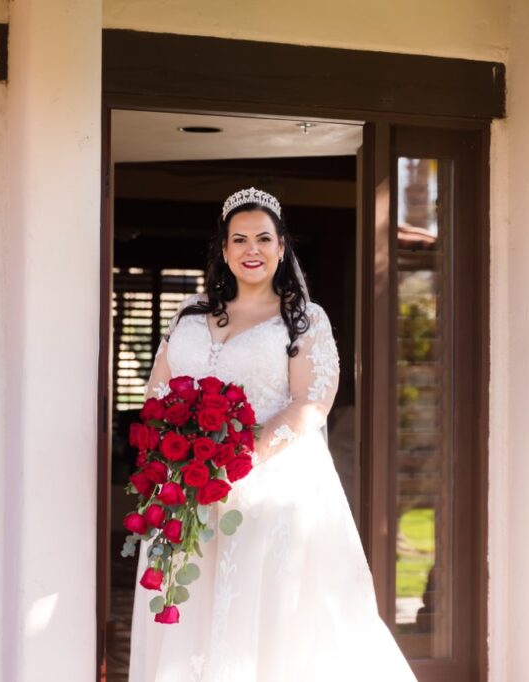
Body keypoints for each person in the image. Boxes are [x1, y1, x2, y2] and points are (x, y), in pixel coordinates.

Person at [129, 188, 417, 682]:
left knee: (266, 616)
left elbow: (311, 402)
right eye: (239, 239)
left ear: (282, 247)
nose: (251, 249)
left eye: (263, 238)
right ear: (223, 250)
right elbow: (157, 396)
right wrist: (177, 452)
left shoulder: (303, 319)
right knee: (189, 606)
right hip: (188, 489)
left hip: (271, 488)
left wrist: (239, 454)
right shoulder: (189, 316)